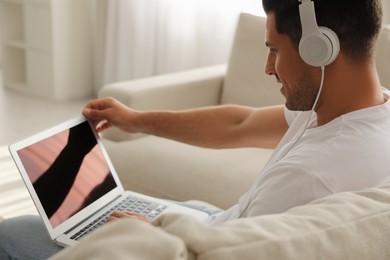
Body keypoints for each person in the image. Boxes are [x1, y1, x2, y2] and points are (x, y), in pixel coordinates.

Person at [0, 0, 388, 259]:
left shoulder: (309, 175)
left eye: (274, 50)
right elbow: (241, 124)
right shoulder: (363, 109)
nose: (268, 68)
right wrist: (134, 120)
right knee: (108, 206)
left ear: (319, 50)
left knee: (13, 232)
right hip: (220, 221)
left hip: (199, 244)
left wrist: (151, 233)